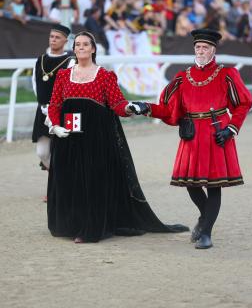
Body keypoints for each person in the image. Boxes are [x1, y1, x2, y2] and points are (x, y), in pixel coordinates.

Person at [47, 31, 189, 243]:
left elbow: (117, 104)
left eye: (86, 44)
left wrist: (130, 107)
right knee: (71, 180)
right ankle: (72, 224)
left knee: (93, 181)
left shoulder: (105, 76)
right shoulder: (63, 76)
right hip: (68, 136)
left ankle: (91, 229)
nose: (81, 48)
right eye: (77, 45)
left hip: (96, 138)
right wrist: (55, 126)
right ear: (74, 49)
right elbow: (55, 104)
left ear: (93, 49)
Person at [130, 28, 252, 249]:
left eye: (205, 47)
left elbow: (244, 103)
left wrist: (232, 128)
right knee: (191, 183)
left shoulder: (227, 74)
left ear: (213, 50)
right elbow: (168, 110)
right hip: (192, 133)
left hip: (217, 132)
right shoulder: (182, 77)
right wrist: (145, 107)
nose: (201, 51)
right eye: (198, 47)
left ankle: (206, 233)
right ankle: (204, 218)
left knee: (214, 185)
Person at [32, 24, 75, 201]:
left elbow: (71, 86)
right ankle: (61, 181)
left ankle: (59, 187)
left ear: (65, 40)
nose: (53, 40)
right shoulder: (40, 60)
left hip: (63, 111)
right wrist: (43, 104)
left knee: (64, 150)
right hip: (43, 111)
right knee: (42, 152)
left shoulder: (71, 61)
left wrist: (58, 106)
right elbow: (36, 83)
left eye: (57, 37)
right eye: (51, 37)